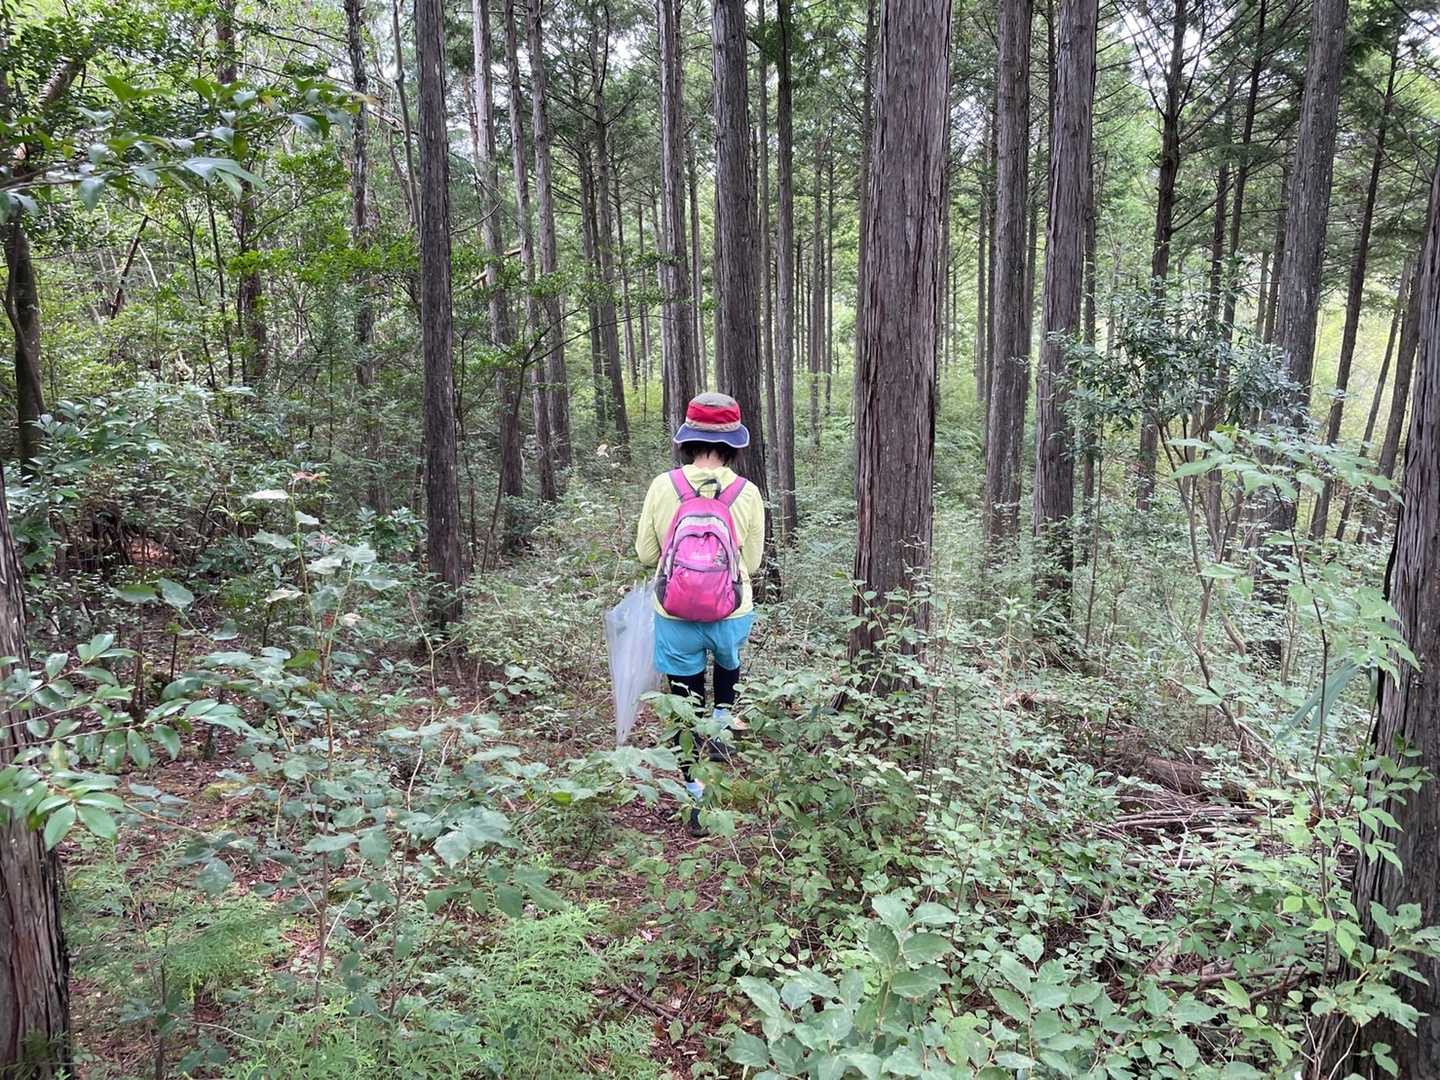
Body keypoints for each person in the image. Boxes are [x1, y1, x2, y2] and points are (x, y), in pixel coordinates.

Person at [636, 393, 765, 824]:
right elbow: (751, 564)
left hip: (675, 612)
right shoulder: (747, 492)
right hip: (731, 611)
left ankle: (695, 796)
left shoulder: (663, 486)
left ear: (688, 439)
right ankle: (723, 722)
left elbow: (645, 553)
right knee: (728, 662)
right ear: (733, 444)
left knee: (684, 702)